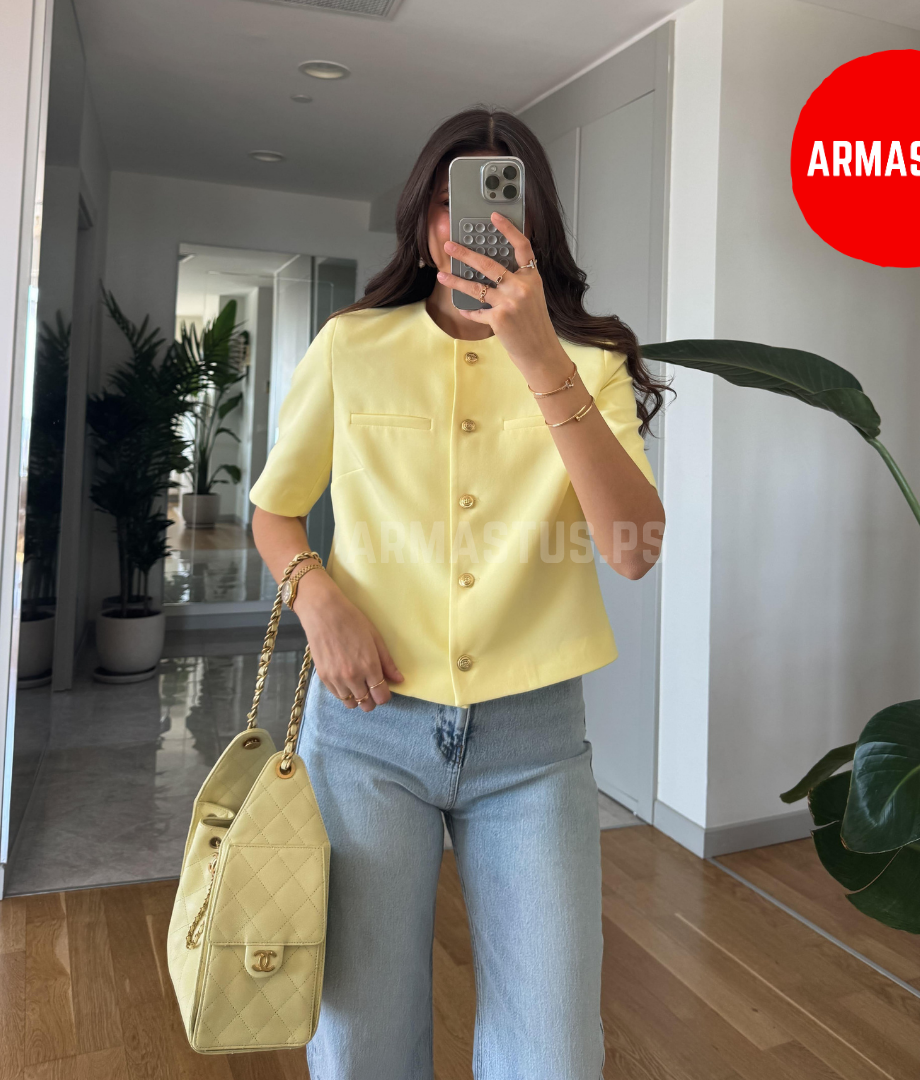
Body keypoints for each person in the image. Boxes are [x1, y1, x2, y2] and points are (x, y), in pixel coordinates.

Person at [248, 106, 670, 1080]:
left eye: (491, 200)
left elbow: (635, 549)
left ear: (533, 220)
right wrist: (319, 600)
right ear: (421, 219)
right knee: (359, 1045)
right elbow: (274, 513)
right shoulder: (352, 345)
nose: (465, 224)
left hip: (534, 744)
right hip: (367, 729)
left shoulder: (591, 363)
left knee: (554, 1054)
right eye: (447, 202)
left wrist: (539, 355)